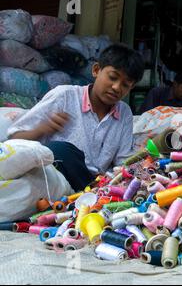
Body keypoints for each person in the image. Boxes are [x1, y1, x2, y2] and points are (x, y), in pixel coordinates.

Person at [7, 44, 145, 192]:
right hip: (57, 179)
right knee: (59, 150)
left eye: (125, 84)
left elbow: (123, 161)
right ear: (96, 70)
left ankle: (93, 194)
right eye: (112, 77)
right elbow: (14, 140)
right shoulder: (64, 96)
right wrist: (42, 129)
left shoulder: (124, 113)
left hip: (96, 183)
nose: (117, 87)